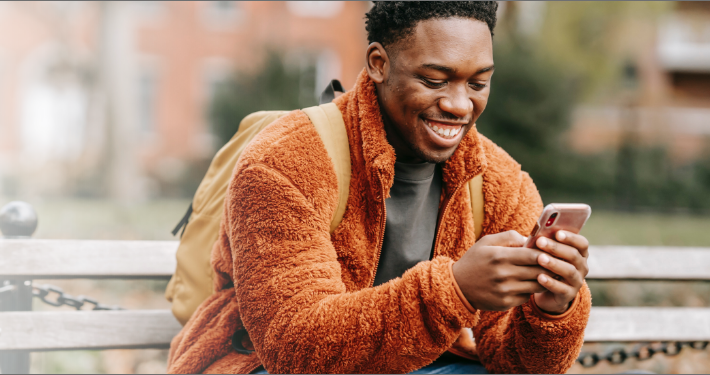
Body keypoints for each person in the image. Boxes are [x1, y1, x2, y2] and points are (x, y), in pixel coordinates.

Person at [166, 2, 592, 374]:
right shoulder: (286, 158)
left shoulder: (499, 181)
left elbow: (516, 364)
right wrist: (455, 290)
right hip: (258, 363)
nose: (460, 104)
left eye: (477, 83)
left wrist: (550, 310)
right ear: (378, 63)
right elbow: (294, 349)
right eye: (434, 79)